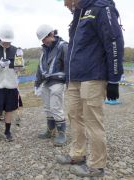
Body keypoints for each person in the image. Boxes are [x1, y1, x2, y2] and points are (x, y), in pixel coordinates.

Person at [56, 0, 124, 177]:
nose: (65, 4)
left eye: (67, 1)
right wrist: (68, 76)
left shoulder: (102, 9)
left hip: (93, 76)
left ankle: (96, 165)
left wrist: (114, 79)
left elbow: (114, 42)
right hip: (75, 78)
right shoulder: (79, 13)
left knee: (92, 121)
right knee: (74, 116)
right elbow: (74, 49)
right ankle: (78, 154)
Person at [35, 25, 68, 146]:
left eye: (45, 39)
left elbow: (68, 65)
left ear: (51, 34)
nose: (43, 42)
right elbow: (40, 67)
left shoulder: (63, 46)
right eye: (42, 40)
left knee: (56, 108)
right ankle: (50, 130)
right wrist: (37, 84)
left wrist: (69, 82)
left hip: (58, 82)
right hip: (46, 82)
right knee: (47, 108)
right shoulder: (44, 50)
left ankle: (61, 134)